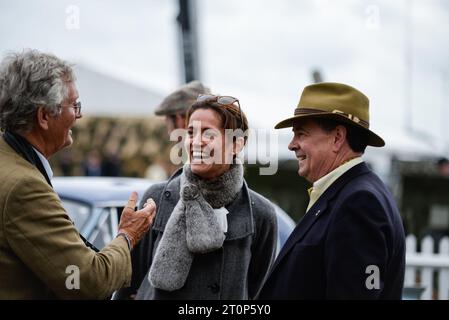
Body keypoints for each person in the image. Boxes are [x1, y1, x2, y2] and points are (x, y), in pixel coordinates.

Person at [0, 49, 156, 299]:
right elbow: (88, 281)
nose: (79, 114)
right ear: (43, 116)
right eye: (74, 105)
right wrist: (128, 235)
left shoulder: (9, 162)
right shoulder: (25, 186)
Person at [116, 94, 278, 299]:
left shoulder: (260, 214)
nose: (196, 142)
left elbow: (258, 293)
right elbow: (128, 283)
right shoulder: (156, 199)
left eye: (209, 134)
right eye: (191, 133)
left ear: (236, 144)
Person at [257, 82, 406, 299]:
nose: (292, 144)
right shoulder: (351, 194)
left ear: (337, 137)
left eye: (301, 134)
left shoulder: (358, 202)